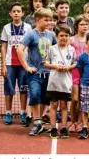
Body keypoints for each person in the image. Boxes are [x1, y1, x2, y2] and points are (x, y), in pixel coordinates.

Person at [17, 8, 57, 136]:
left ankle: (39, 121)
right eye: (46, 20)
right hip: (34, 73)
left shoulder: (51, 35)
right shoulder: (31, 34)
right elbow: (19, 50)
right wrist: (27, 66)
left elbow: (57, 50)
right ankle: (36, 121)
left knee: (46, 98)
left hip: (49, 73)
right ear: (37, 20)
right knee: (34, 95)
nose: (48, 22)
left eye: (50, 20)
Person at [0, 3, 32, 125]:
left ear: (23, 13)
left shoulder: (28, 27)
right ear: (10, 13)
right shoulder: (6, 28)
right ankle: (8, 112)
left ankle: (23, 112)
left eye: (19, 11)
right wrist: (3, 64)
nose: (16, 13)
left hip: (24, 64)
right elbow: (3, 47)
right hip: (10, 63)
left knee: (24, 89)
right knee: (9, 89)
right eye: (14, 11)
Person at [44, 24, 77, 139]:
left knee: (64, 105)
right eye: (61, 35)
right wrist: (55, 66)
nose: (64, 38)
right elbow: (46, 63)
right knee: (53, 104)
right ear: (56, 36)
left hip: (66, 82)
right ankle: (53, 127)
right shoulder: (51, 49)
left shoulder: (72, 49)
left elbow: (75, 63)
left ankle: (63, 127)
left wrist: (69, 67)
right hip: (54, 81)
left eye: (66, 35)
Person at [68, 15, 89, 133]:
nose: (84, 26)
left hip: (87, 71)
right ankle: (73, 122)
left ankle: (81, 122)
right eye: (82, 24)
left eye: (86, 24)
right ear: (76, 26)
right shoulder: (71, 40)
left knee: (84, 98)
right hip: (74, 70)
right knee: (75, 98)